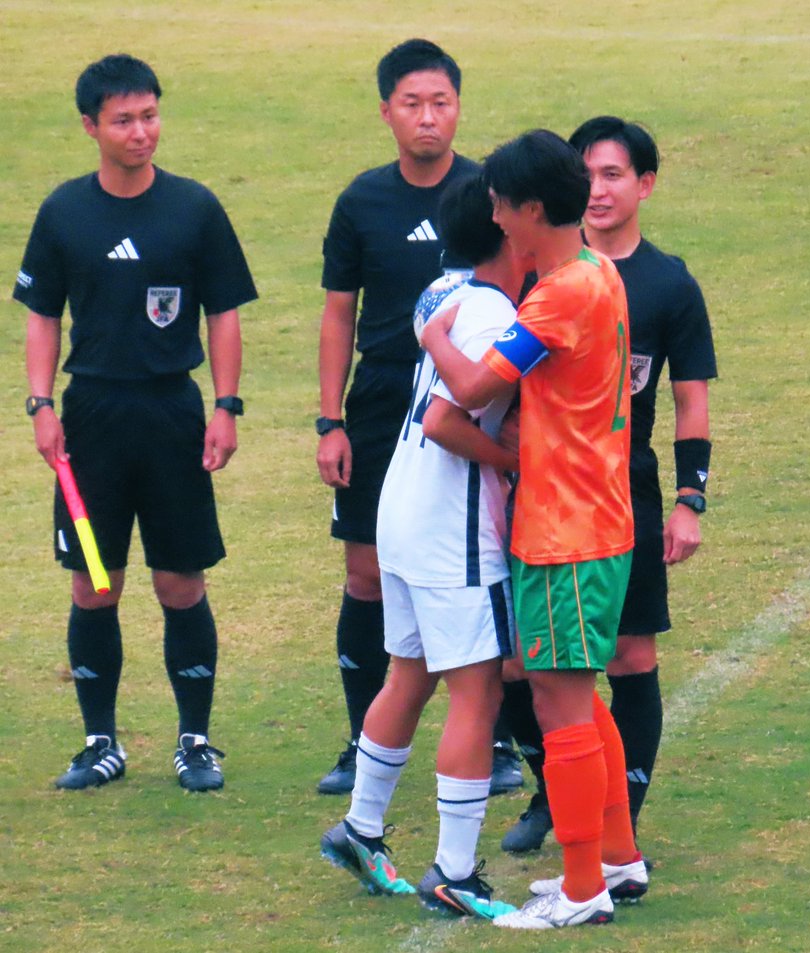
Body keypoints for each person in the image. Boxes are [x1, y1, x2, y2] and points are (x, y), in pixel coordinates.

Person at [420, 129, 646, 929]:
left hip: (565, 530)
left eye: (501, 204)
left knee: (560, 708)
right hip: (595, 516)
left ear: (532, 208)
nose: (495, 218)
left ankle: (582, 888)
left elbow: (475, 382)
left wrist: (434, 330)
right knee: (582, 699)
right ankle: (615, 859)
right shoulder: (597, 273)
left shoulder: (559, 297)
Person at [15, 54, 256, 792]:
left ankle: (195, 740)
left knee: (181, 581)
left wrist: (225, 405)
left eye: (149, 115)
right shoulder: (64, 211)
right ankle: (100, 742)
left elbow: (224, 314)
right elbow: (40, 317)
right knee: (95, 582)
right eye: (124, 120)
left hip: (172, 414)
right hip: (89, 418)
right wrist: (41, 404)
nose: (141, 131)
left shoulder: (194, 208)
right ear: (91, 126)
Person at [498, 117, 716, 854]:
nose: (597, 188)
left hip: (613, 496)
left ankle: (616, 827)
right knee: (540, 671)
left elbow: (691, 399)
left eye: (613, 173)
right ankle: (562, 804)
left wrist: (691, 498)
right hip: (552, 493)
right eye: (586, 172)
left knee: (623, 661)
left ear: (644, 184)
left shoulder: (658, 280)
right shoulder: (553, 271)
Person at [319, 175, 524, 919]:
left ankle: (361, 829)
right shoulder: (493, 312)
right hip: (451, 528)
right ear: (505, 230)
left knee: (408, 674)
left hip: (400, 511)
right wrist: (511, 461)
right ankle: (456, 872)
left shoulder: (442, 291)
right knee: (479, 689)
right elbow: (445, 420)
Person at [314, 39, 481, 795]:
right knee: (367, 573)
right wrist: (330, 421)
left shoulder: (486, 193)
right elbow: (337, 314)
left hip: (470, 399)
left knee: (479, 572)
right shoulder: (362, 201)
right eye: (411, 104)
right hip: (381, 404)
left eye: (440, 102)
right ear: (386, 112)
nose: (427, 118)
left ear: (458, 106)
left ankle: (494, 738)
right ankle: (362, 739)